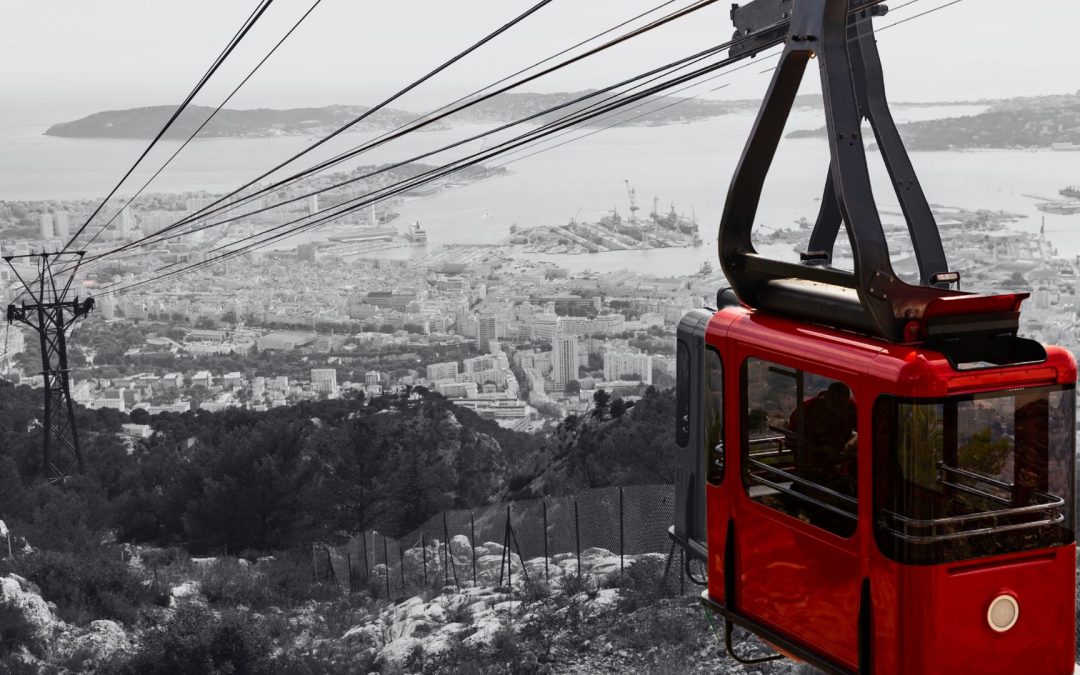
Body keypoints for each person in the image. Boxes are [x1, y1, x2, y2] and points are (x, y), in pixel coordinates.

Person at [789, 382, 857, 491]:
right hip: (810, 468)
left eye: (842, 406)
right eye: (835, 405)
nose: (838, 410)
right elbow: (791, 441)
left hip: (840, 466)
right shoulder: (806, 410)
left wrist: (850, 444)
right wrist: (818, 450)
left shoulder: (851, 407)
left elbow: (865, 430)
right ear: (827, 397)